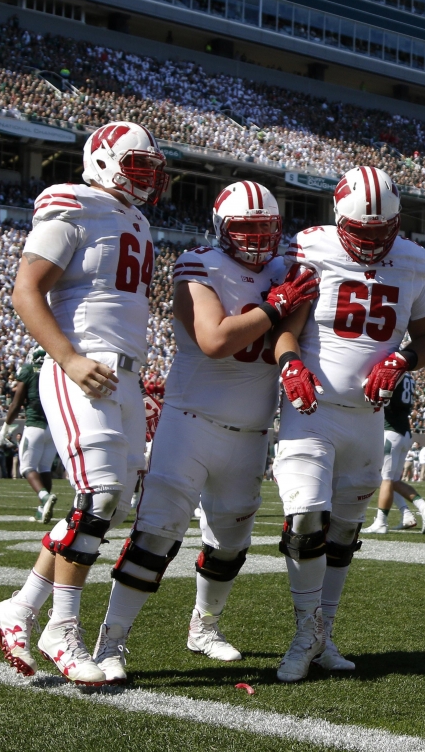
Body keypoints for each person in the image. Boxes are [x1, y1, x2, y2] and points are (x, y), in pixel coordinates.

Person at [92, 181, 318, 684]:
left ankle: (204, 625)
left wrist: (289, 304)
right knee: (156, 533)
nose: (258, 239)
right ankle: (111, 640)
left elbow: (290, 333)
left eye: (266, 228)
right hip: (190, 421)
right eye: (246, 228)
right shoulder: (200, 264)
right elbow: (215, 339)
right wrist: (275, 305)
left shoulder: (287, 273)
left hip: (253, 429)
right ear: (221, 228)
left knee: (230, 544)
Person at [0, 121, 170, 685]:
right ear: (104, 162)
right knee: (101, 495)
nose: (146, 180)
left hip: (122, 372)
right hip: (83, 366)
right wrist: (68, 359)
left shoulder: (134, 218)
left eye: (150, 170)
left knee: (106, 502)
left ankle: (19, 609)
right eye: (136, 167)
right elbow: (25, 290)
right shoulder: (76, 204)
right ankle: (61, 630)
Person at [270, 165, 425, 683]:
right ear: (340, 219)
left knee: (344, 532)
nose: (370, 244)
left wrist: (402, 360)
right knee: (305, 519)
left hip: (368, 419)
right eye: (361, 233)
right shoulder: (313, 249)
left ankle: (325, 636)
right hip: (312, 413)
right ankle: (305, 633)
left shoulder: (411, 260)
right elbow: (286, 332)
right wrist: (289, 364)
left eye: (379, 233)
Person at [361, 373, 425, 535]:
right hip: (404, 433)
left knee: (386, 479)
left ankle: (381, 522)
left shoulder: (392, 372)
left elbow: (371, 393)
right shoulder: (408, 376)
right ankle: (410, 513)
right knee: (393, 480)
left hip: (391, 431)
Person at [2, 346, 58, 522]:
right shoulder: (56, 371)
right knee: (45, 468)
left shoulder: (28, 370)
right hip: (53, 428)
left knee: (27, 467)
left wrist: (6, 426)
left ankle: (44, 497)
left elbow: (16, 403)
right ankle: (43, 509)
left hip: (35, 425)